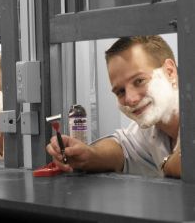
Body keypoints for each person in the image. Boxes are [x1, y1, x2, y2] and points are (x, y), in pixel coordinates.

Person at [46, 36, 181, 178]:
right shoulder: (152, 129)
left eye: (139, 81)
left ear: (169, 72)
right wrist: (88, 155)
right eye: (120, 91)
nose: (130, 99)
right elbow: (122, 148)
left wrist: (169, 165)